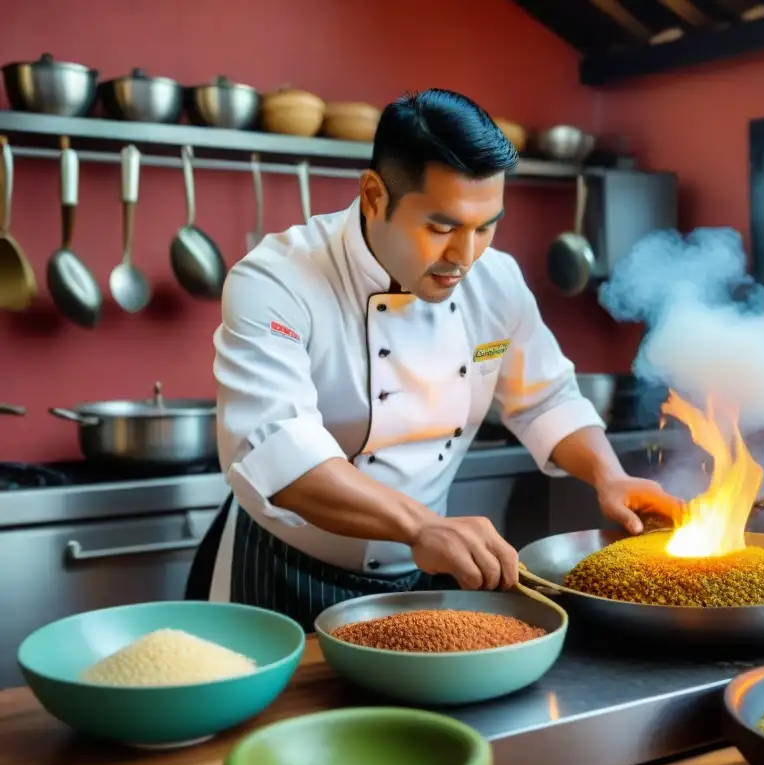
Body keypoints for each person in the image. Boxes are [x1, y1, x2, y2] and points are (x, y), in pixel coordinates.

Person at [186, 88, 679, 629]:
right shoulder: (277, 280)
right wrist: (421, 526)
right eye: (442, 228)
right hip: (283, 569)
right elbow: (278, 451)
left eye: (486, 226)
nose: (465, 258)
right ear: (374, 196)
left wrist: (608, 475)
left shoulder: (497, 281)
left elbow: (546, 399)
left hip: (420, 571)